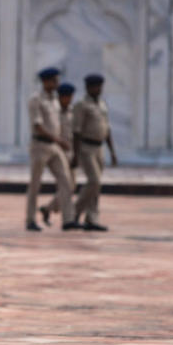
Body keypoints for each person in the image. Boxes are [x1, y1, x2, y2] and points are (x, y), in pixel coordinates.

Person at [25, 67, 79, 232]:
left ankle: (68, 219)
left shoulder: (55, 101)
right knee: (35, 184)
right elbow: (38, 126)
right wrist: (58, 140)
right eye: (54, 80)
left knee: (67, 181)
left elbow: (59, 124)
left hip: (55, 147)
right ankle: (30, 219)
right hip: (40, 146)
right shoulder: (36, 100)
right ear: (46, 81)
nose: (57, 83)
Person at [72, 74, 118, 232]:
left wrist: (112, 152)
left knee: (96, 186)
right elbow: (76, 131)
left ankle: (92, 218)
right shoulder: (81, 105)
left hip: (100, 147)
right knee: (94, 181)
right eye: (95, 86)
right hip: (86, 147)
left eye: (99, 86)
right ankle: (74, 212)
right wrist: (75, 155)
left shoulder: (102, 104)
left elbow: (107, 129)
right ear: (88, 87)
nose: (98, 89)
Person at [39, 82, 76, 226]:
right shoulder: (53, 112)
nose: (68, 99)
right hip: (58, 152)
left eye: (70, 97)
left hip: (71, 152)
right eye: (65, 96)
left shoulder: (72, 112)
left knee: (70, 186)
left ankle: (48, 208)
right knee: (67, 185)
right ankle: (68, 220)